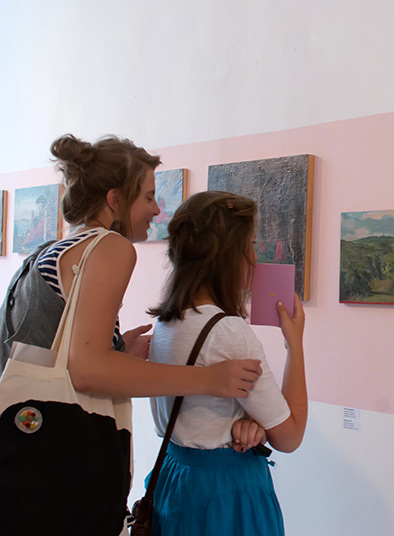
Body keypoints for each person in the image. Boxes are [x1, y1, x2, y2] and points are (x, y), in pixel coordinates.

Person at [0, 134, 264, 535]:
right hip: (66, 468)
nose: (157, 209)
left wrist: (119, 351)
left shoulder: (49, 251)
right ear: (115, 200)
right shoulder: (110, 246)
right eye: (148, 197)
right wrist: (209, 379)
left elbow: (52, 354)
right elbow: (87, 372)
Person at [146, 191, 307, 536]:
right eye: (250, 245)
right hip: (224, 493)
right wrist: (295, 345)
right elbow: (290, 436)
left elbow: (200, 412)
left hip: (175, 477)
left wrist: (250, 421)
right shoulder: (227, 331)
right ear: (230, 255)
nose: (254, 257)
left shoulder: (166, 323)